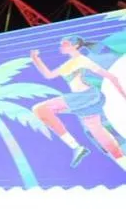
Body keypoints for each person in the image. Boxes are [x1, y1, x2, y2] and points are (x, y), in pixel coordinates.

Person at [31, 34, 126, 170]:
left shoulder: (82, 60)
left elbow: (111, 77)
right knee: (99, 133)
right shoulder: (69, 64)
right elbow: (49, 75)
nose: (61, 46)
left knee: (40, 109)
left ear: (75, 46)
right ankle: (123, 163)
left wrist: (124, 95)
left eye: (65, 44)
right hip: (85, 99)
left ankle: (77, 147)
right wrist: (35, 59)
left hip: (85, 96)